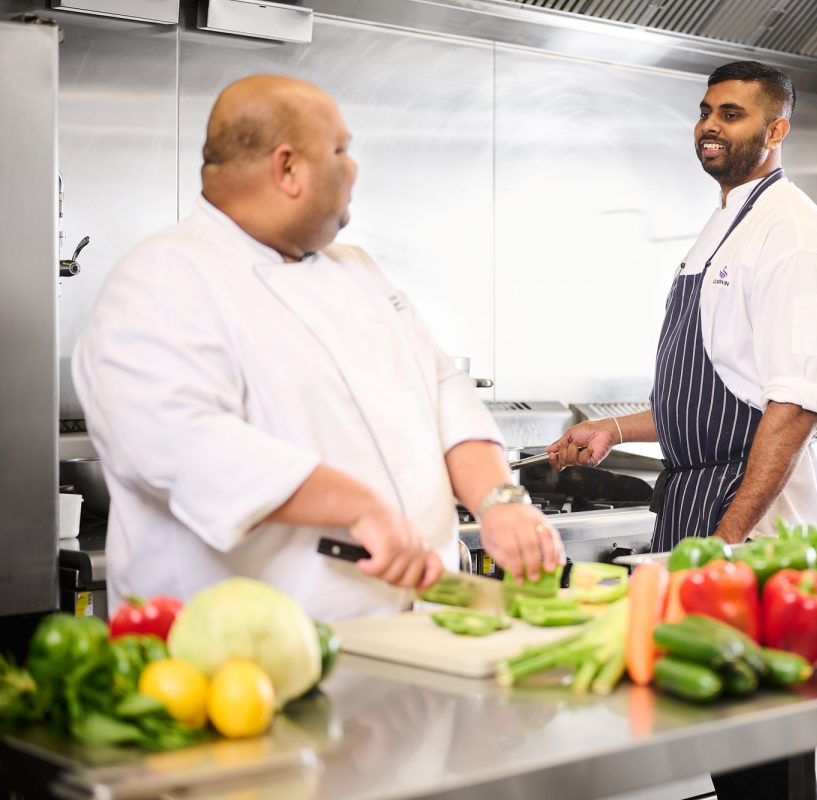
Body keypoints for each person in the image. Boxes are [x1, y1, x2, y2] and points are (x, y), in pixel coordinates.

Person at [73, 75, 563, 622]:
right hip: (249, 662)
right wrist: (360, 507)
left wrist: (499, 501)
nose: (352, 168)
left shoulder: (356, 271)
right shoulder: (160, 281)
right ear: (288, 168)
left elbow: (444, 395)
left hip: (415, 636)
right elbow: (188, 450)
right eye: (340, 150)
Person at [547, 61, 817, 555]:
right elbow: (716, 397)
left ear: (776, 130)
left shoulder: (797, 240)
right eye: (706, 112)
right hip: (694, 502)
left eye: (732, 114)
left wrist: (727, 541)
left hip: (755, 525)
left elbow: (797, 407)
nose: (710, 126)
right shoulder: (728, 221)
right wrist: (614, 429)